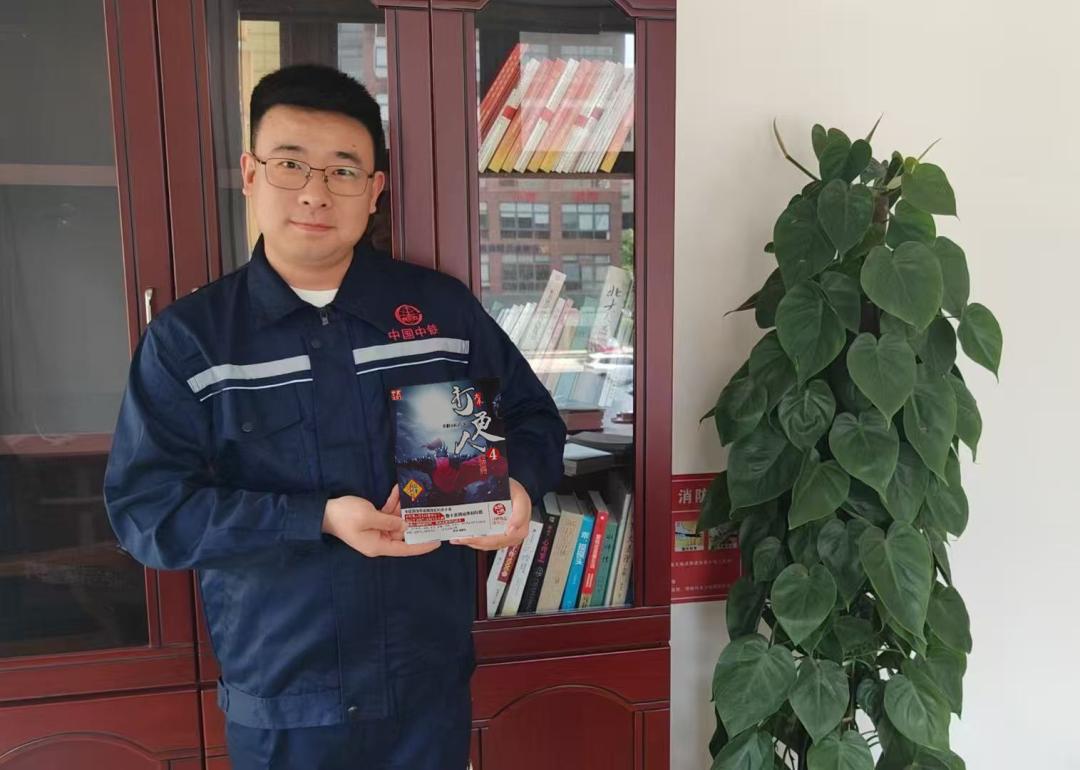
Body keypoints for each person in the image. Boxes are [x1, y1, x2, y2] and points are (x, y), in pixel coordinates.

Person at [104, 64, 565, 770]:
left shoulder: (439, 313)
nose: (315, 192)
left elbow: (534, 419)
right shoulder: (191, 341)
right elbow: (150, 513)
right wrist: (317, 518)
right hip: (283, 699)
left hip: (426, 686)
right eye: (291, 164)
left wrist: (520, 488)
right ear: (251, 174)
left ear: (374, 189)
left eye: (343, 171)